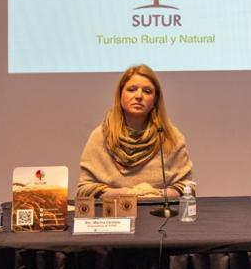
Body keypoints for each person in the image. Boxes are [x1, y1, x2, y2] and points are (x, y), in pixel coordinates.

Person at [77, 65, 194, 199]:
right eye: (132, 89)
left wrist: (156, 193)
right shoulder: (100, 136)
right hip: (113, 216)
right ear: (120, 94)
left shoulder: (170, 137)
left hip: (159, 216)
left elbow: (187, 186)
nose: (139, 96)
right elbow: (84, 188)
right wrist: (126, 194)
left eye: (147, 91)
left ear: (155, 99)